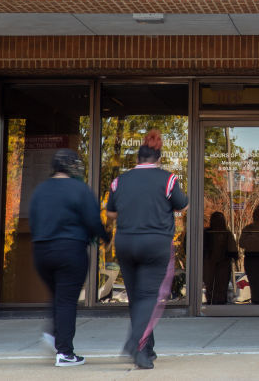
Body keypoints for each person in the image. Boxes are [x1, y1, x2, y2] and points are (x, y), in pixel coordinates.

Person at [106, 144, 188, 369]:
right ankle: (137, 345)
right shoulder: (168, 179)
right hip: (155, 243)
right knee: (149, 297)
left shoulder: (119, 181)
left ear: (138, 159)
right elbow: (182, 204)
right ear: (158, 159)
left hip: (125, 243)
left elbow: (111, 212)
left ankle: (147, 347)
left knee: (136, 297)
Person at [28, 148, 109, 367]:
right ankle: (64, 352)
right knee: (66, 300)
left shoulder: (40, 190)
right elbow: (93, 220)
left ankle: (53, 336)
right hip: (70, 250)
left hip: (42, 250)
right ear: (72, 167)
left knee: (57, 295)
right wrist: (104, 237)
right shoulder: (79, 189)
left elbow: (33, 221)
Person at [238, 203, 259, 304]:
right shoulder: (249, 228)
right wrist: (254, 238)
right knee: (255, 283)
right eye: (257, 213)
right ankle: (257, 301)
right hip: (252, 258)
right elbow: (241, 243)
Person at [203, 211, 238, 305]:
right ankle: (212, 300)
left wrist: (233, 256)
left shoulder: (226, 234)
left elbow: (232, 248)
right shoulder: (206, 233)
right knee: (210, 284)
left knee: (221, 284)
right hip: (209, 261)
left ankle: (220, 300)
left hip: (223, 262)